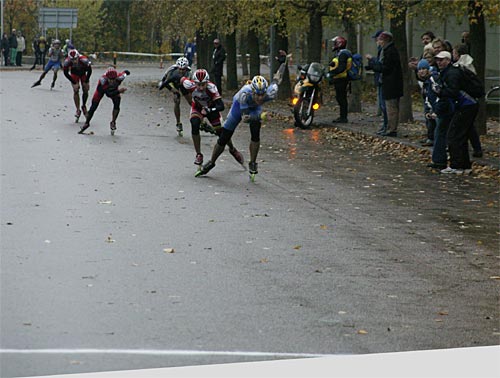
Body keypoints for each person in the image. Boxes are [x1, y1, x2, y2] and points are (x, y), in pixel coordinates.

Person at [196, 63, 285, 178]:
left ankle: (253, 162)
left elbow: (277, 79)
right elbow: (245, 118)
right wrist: (261, 117)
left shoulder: (271, 92)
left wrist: (283, 63)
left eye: (262, 94)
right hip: (239, 108)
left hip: (254, 109)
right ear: (252, 91)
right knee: (224, 137)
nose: (260, 98)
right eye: (257, 94)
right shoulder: (244, 94)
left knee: (255, 131)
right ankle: (211, 162)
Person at [180, 68, 243, 167]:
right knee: (194, 124)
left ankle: (232, 149)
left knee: (221, 133)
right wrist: (186, 96)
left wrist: (210, 110)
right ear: (194, 83)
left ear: (207, 82)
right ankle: (198, 154)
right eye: (198, 85)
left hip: (212, 109)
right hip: (197, 108)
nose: (200, 87)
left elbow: (221, 106)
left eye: (203, 84)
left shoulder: (212, 88)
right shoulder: (189, 84)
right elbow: (180, 79)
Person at [433, 51, 478, 175]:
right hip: (467, 106)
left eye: (441, 60)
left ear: (448, 60)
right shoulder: (450, 72)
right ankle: (465, 166)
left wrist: (440, 92)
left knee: (453, 135)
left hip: (466, 106)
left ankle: (456, 165)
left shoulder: (452, 73)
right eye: (437, 60)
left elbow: (453, 92)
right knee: (461, 136)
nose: (439, 62)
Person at [417, 59, 454, 170]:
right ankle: (439, 159)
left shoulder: (434, 79)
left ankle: (440, 160)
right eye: (420, 69)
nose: (422, 71)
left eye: (424, 69)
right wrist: (429, 111)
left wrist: (436, 111)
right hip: (437, 110)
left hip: (442, 111)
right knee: (438, 134)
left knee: (440, 134)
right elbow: (428, 98)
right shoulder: (427, 81)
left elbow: (439, 96)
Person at [365, 31, 403, 137]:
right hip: (388, 82)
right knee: (387, 106)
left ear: (386, 40)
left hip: (391, 83)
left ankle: (391, 129)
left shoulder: (390, 51)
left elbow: (386, 68)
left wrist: (373, 64)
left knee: (391, 107)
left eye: (380, 40)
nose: (379, 42)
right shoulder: (386, 51)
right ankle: (388, 127)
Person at [78, 67, 130, 135]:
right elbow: (108, 94)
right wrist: (119, 91)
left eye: (113, 79)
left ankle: (113, 122)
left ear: (116, 77)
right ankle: (87, 123)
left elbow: (125, 72)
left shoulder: (120, 77)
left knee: (117, 102)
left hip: (114, 90)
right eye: (110, 79)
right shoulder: (103, 80)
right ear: (107, 78)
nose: (112, 81)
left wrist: (127, 72)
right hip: (101, 90)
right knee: (93, 107)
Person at [452, 43, 483, 158]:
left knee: (467, 127)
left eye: (454, 53)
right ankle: (476, 148)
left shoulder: (462, 66)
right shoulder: (467, 64)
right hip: (470, 100)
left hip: (467, 100)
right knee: (469, 126)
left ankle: (473, 149)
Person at [158, 56, 192, 135]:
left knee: (191, 101)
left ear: (186, 68)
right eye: (179, 69)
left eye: (183, 69)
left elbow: (190, 86)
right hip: (172, 82)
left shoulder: (189, 73)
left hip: (184, 83)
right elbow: (165, 83)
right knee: (177, 100)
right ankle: (178, 123)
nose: (181, 71)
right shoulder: (172, 71)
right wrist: (174, 91)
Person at [366, 30, 387, 134]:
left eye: (378, 39)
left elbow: (380, 64)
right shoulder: (380, 49)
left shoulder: (384, 50)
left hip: (382, 79)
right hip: (379, 79)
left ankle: (387, 126)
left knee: (384, 105)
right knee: (382, 104)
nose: (376, 41)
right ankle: (385, 125)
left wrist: (372, 60)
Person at [63, 49, 92, 121]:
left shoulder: (84, 60)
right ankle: (78, 109)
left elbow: (90, 70)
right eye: (72, 60)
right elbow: (66, 73)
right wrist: (74, 82)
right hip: (74, 74)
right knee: (76, 90)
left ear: (78, 57)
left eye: (75, 59)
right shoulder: (67, 62)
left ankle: (84, 106)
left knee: (85, 89)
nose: (74, 61)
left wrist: (86, 80)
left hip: (83, 73)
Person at [327, 36, 351, 123]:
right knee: (340, 97)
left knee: (341, 98)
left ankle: (343, 117)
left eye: (335, 43)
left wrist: (332, 73)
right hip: (339, 78)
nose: (333, 45)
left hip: (342, 79)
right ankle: (342, 117)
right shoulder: (340, 53)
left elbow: (342, 67)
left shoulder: (343, 54)